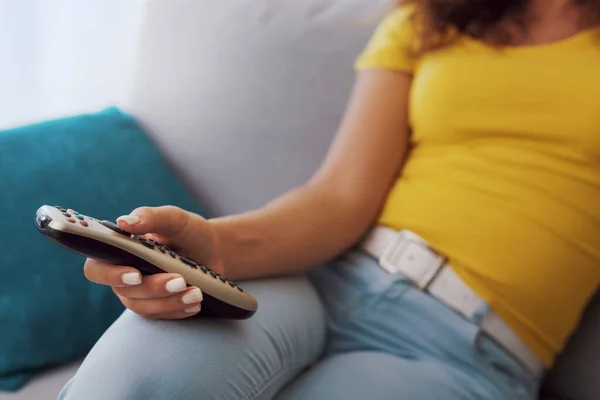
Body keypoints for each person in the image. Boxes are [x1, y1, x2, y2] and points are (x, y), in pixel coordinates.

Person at [58, 0, 600, 398]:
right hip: (323, 281)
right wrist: (214, 244)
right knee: (134, 379)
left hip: (461, 350)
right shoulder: (425, 22)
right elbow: (341, 196)